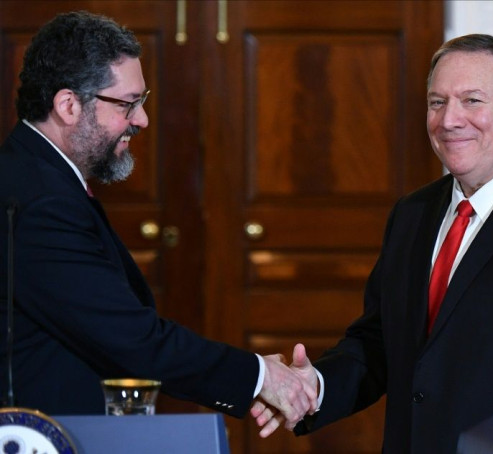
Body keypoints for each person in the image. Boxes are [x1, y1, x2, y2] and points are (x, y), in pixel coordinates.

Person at [250, 34, 493, 452]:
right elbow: (378, 344)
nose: (449, 120)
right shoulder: (412, 213)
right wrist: (312, 386)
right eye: (437, 102)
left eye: (472, 101)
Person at [0, 11, 316, 426]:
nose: (142, 119)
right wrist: (260, 378)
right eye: (128, 104)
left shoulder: (37, 176)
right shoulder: (43, 201)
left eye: (141, 102)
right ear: (68, 105)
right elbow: (132, 341)